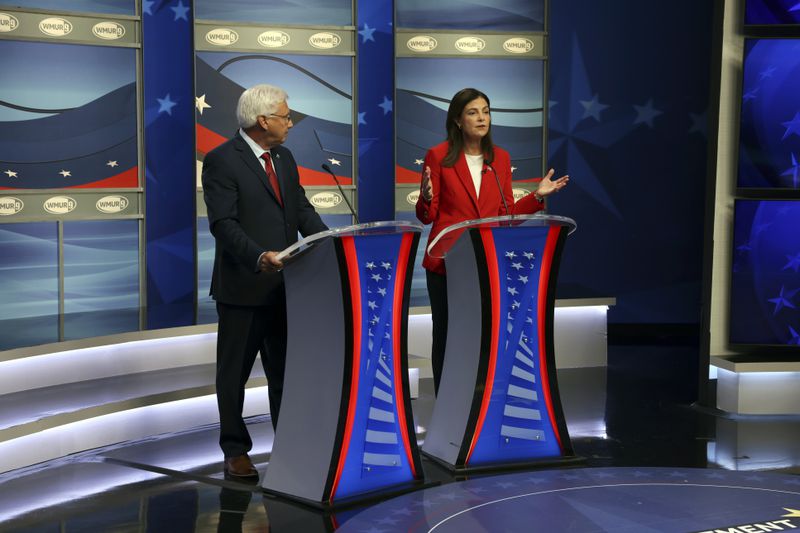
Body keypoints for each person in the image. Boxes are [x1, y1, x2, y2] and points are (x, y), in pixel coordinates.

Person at [202, 84, 328, 479]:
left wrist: (330, 242)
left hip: (287, 288)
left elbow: (302, 209)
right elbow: (223, 224)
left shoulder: (285, 158)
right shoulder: (222, 160)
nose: (290, 122)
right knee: (234, 374)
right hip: (243, 287)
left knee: (285, 373)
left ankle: (288, 441)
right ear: (263, 120)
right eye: (285, 116)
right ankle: (235, 450)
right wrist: (259, 257)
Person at [415, 87, 569, 396]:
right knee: (446, 334)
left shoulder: (500, 159)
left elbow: (503, 214)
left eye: (485, 111)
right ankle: (446, 398)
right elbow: (427, 216)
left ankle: (477, 398)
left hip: (483, 263)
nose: (481, 118)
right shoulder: (439, 156)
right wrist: (425, 197)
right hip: (446, 264)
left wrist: (537, 195)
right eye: (473, 112)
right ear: (458, 121)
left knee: (481, 334)